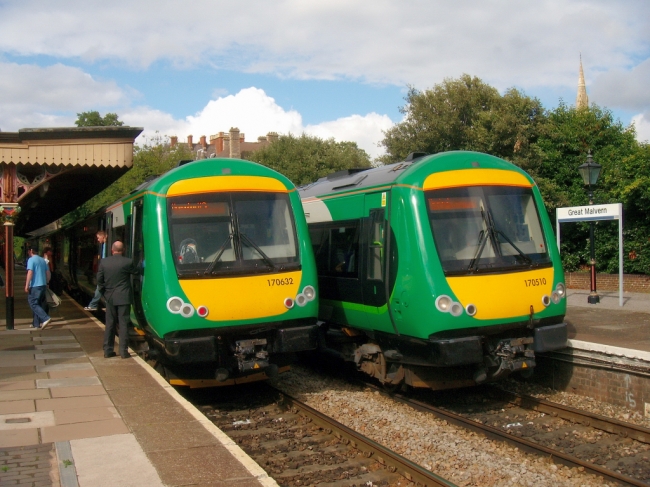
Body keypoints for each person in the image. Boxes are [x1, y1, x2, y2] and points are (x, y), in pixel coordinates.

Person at [97, 241, 137, 359]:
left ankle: (108, 350)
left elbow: (99, 280)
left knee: (110, 323)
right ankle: (124, 352)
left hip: (110, 297)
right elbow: (137, 271)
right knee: (123, 324)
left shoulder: (104, 262)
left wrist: (105, 292)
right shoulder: (128, 262)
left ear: (112, 250)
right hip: (124, 297)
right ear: (123, 250)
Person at [25, 246, 51, 329]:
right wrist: (47, 282)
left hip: (35, 286)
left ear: (31, 250)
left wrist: (27, 285)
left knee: (32, 303)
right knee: (38, 303)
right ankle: (36, 324)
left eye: (29, 251)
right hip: (43, 285)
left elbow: (30, 272)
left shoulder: (31, 260)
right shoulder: (42, 260)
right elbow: (48, 273)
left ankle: (45, 318)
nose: (28, 252)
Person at [84, 231, 107, 311]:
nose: (97, 240)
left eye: (98, 237)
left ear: (103, 236)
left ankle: (93, 305)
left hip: (105, 271)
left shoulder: (107, 245)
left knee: (100, 287)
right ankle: (105, 304)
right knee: (101, 288)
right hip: (104, 270)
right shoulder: (104, 245)